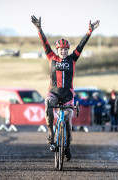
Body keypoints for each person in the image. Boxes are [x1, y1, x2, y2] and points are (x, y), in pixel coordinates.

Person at [31, 15, 100, 161]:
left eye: (65, 49)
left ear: (68, 50)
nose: (63, 52)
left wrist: (89, 32)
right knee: (48, 103)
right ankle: (50, 132)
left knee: (68, 120)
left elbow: (81, 46)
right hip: (54, 92)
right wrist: (39, 28)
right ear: (57, 50)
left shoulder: (72, 59)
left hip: (68, 95)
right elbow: (44, 42)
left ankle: (67, 146)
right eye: (61, 50)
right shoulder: (51, 57)